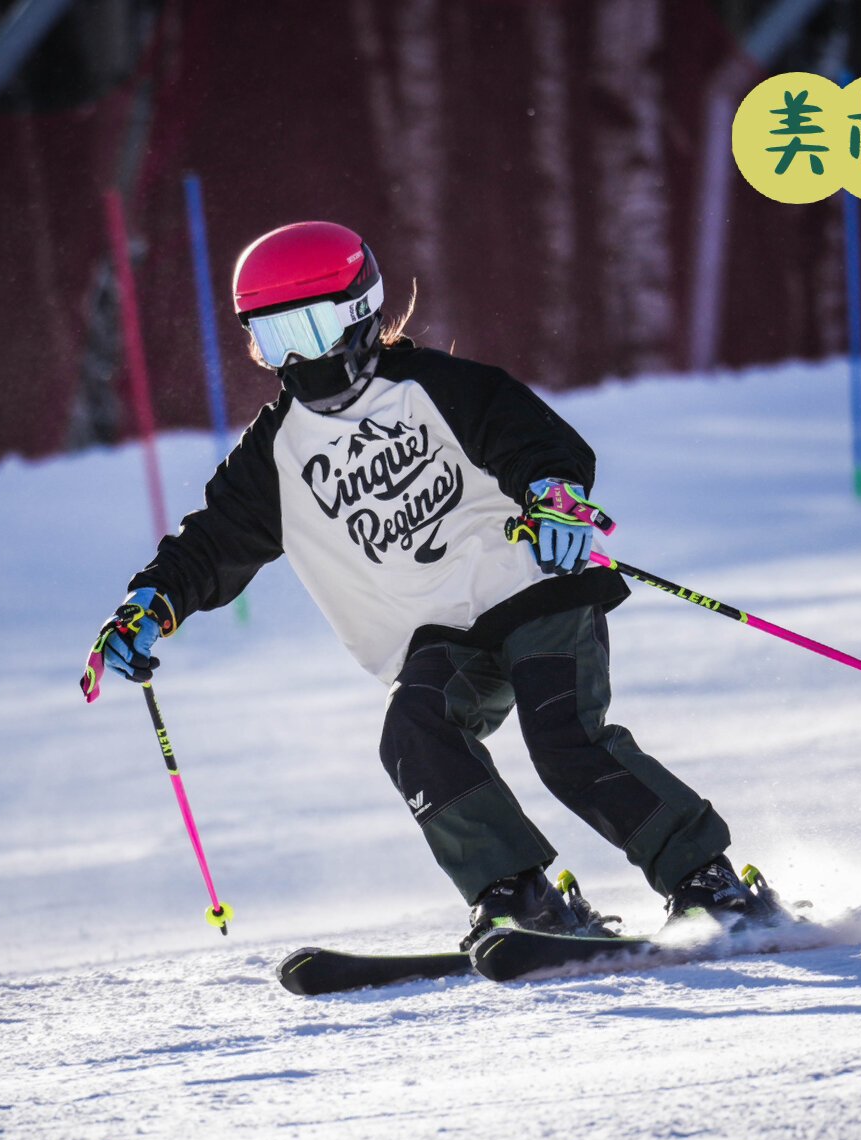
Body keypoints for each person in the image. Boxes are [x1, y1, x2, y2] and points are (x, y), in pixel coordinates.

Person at [83, 221, 761, 947]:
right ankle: (516, 894)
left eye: (312, 328)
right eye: (276, 339)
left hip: (532, 593)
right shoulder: (274, 455)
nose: (302, 357)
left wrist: (554, 495)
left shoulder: (435, 386)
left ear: (359, 312)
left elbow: (531, 441)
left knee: (564, 739)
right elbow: (210, 542)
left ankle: (707, 880)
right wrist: (150, 604)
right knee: (414, 735)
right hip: (438, 638)